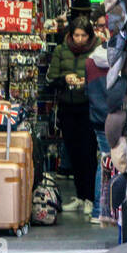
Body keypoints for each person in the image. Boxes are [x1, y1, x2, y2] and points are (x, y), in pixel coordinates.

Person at [47, 17, 99, 214]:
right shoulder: (61, 50)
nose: (79, 39)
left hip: (88, 106)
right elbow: (51, 78)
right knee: (73, 152)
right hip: (68, 106)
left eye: (83, 35)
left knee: (88, 153)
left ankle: (90, 198)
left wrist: (86, 81)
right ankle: (80, 195)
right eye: (76, 35)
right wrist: (64, 79)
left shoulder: (97, 49)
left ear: (89, 35)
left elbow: (104, 75)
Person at [86, 11, 111, 223]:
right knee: (113, 161)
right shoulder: (122, 60)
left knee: (104, 160)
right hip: (116, 117)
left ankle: (99, 210)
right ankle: (102, 210)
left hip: (98, 117)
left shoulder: (90, 62)